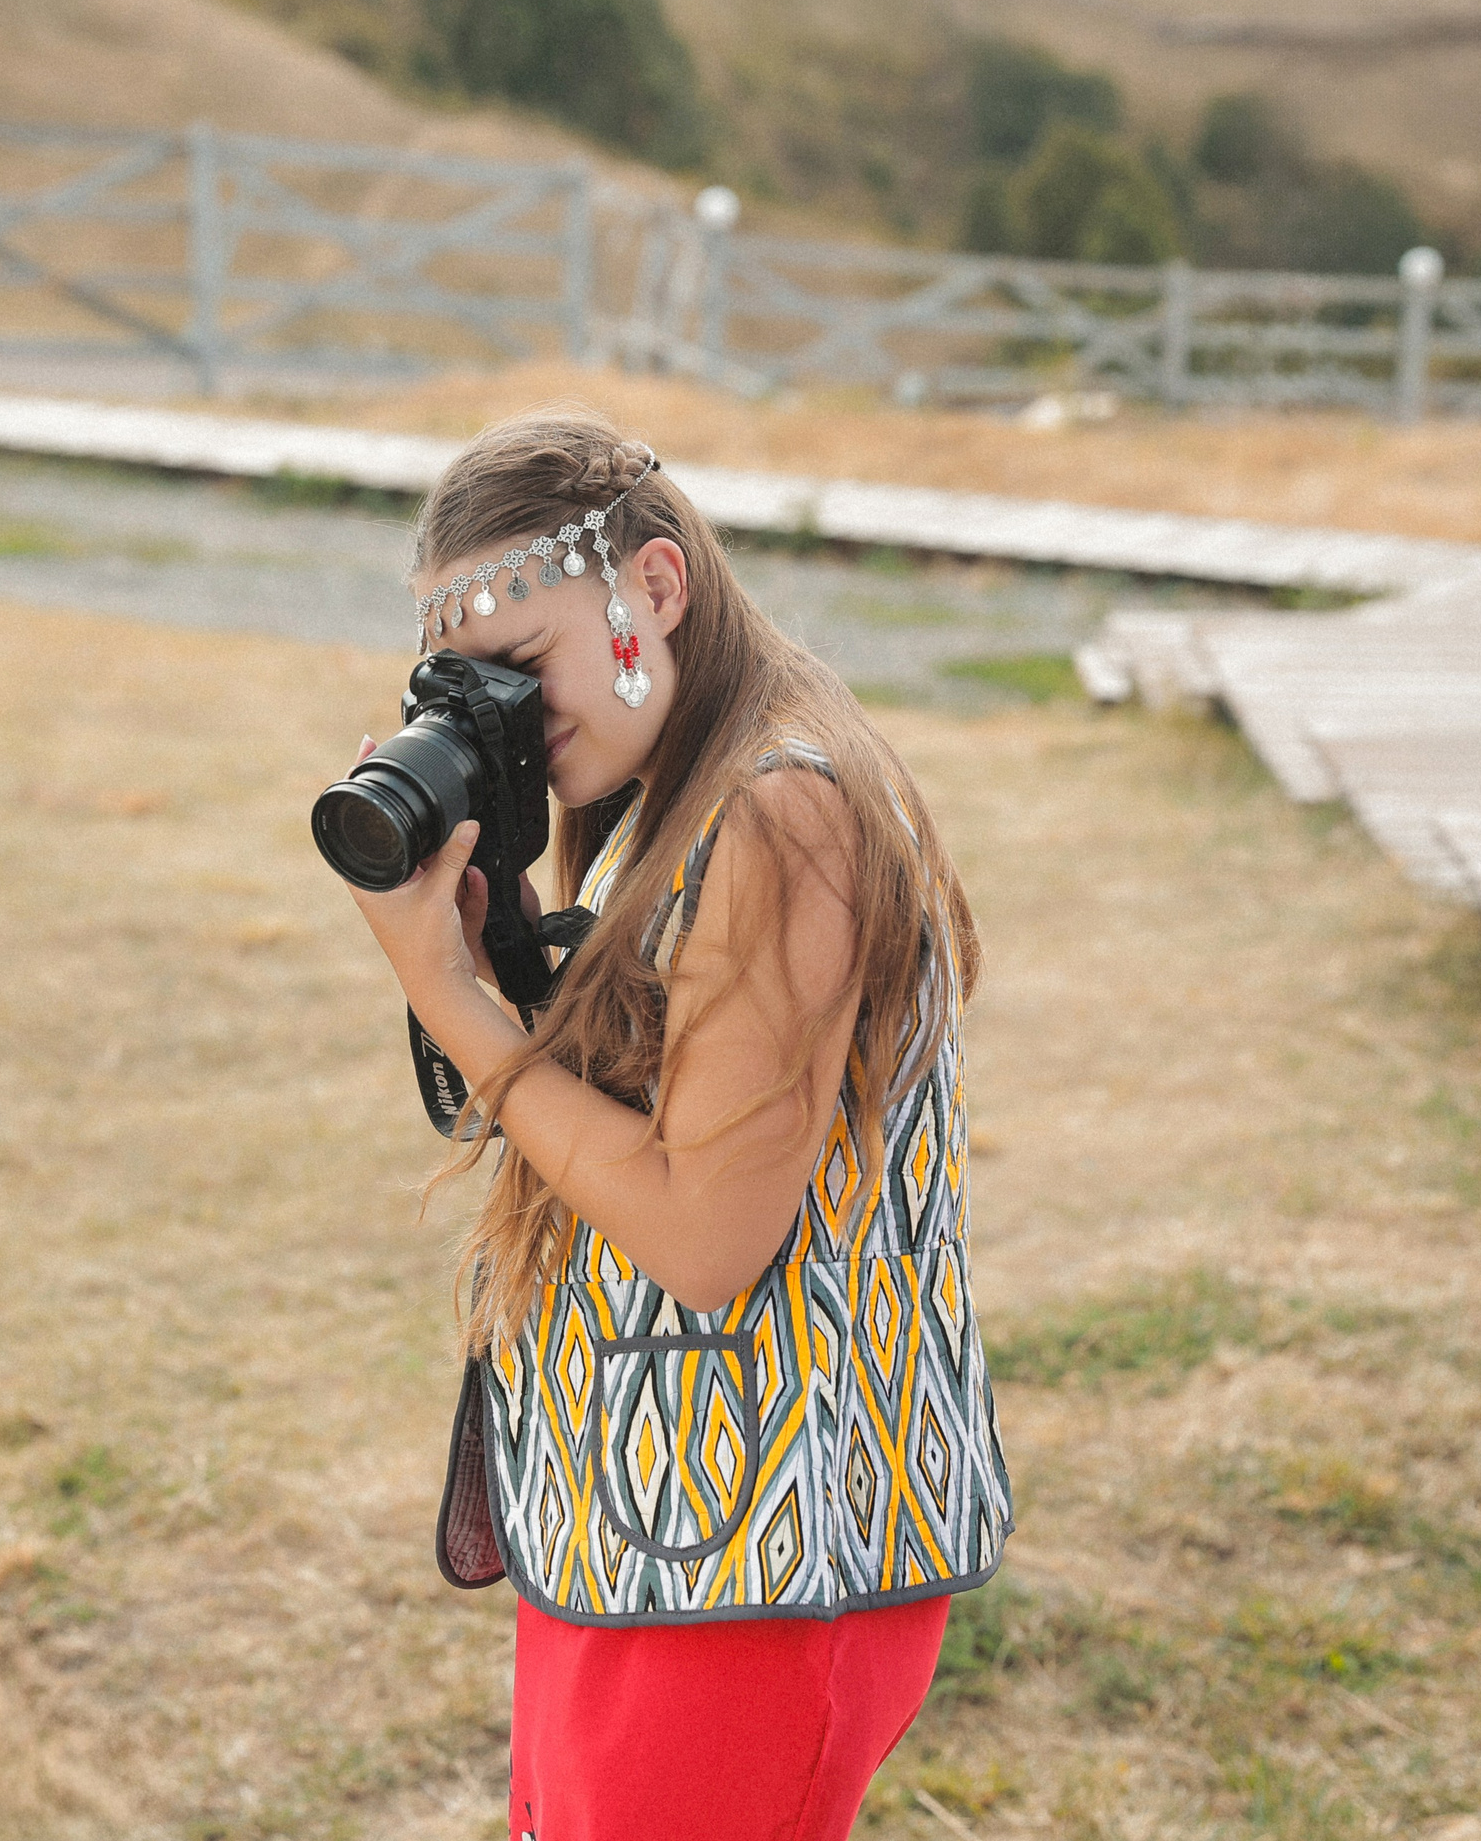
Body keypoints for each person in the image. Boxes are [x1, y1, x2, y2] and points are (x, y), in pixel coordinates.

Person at [336, 408, 1012, 1840]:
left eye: (523, 672)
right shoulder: (671, 792)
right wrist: (506, 933)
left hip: (754, 1563)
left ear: (656, 586)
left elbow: (706, 1239)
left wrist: (450, 993)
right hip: (659, 1525)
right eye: (462, 689)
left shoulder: (784, 812)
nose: (502, 719)